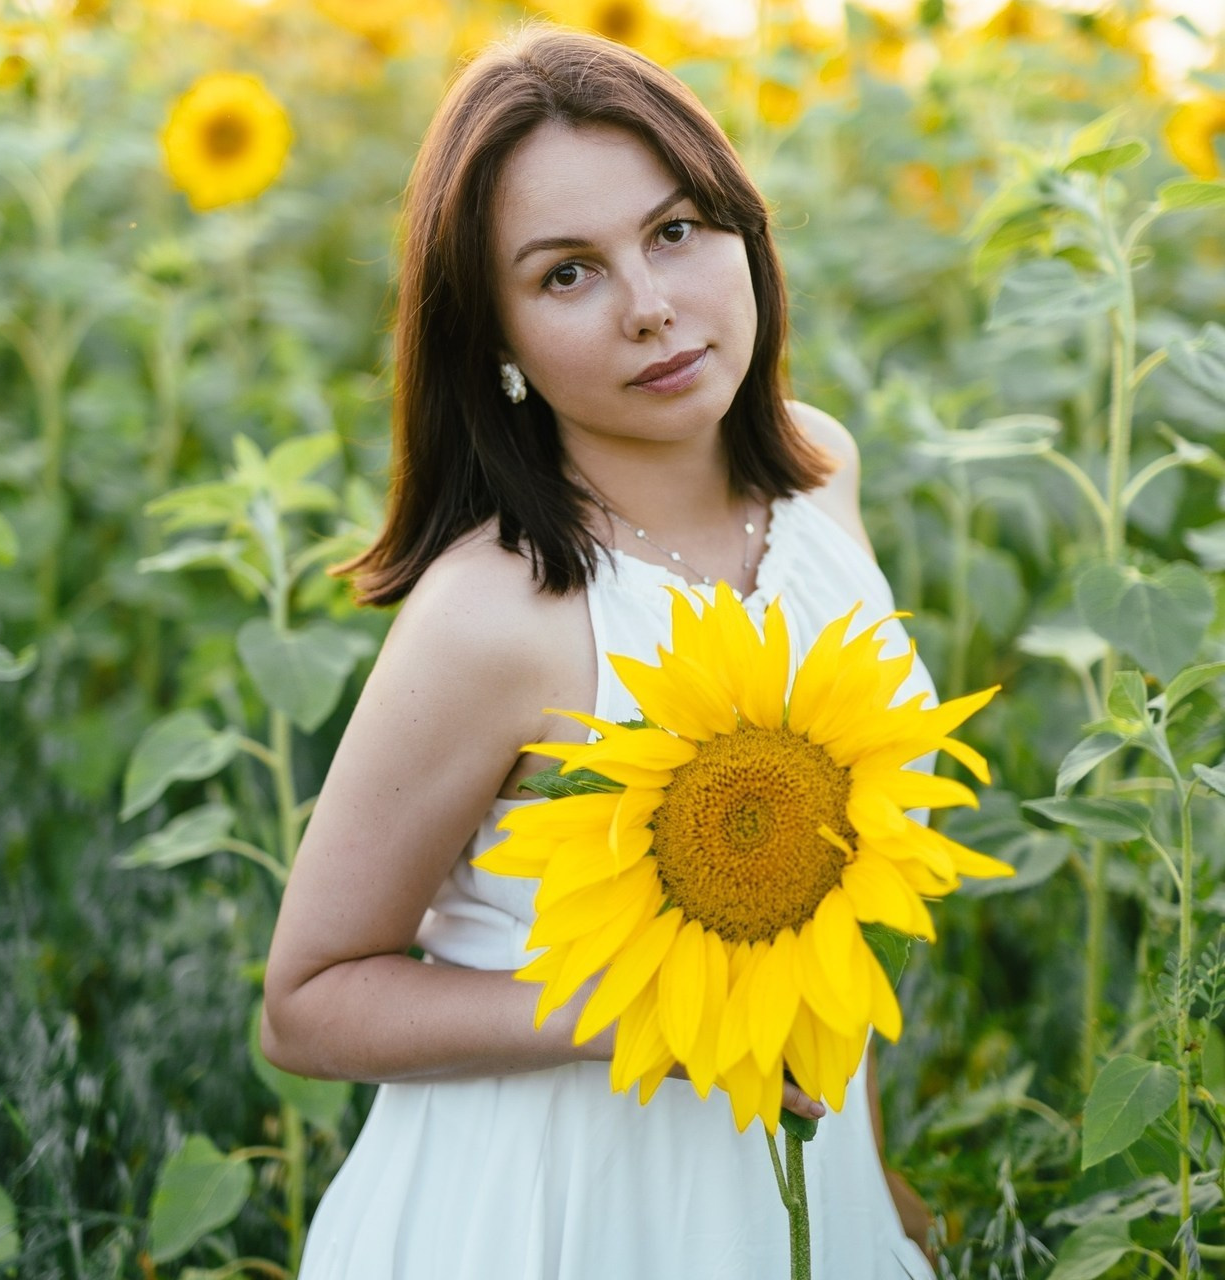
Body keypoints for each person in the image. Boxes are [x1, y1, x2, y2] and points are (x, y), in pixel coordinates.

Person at [261, 24, 937, 1279]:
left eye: (675, 229)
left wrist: (875, 1196)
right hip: (550, 1212)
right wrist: (650, 1009)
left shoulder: (819, 471)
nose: (651, 307)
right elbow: (307, 1001)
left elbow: (831, 924)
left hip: (798, 1197)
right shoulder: (497, 613)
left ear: (744, 230)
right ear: (494, 339)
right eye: (566, 273)